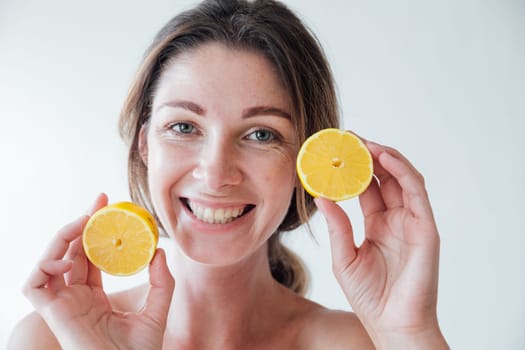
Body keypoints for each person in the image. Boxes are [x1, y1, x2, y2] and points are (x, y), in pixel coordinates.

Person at [8, 0, 449, 349]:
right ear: (145, 145)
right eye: (183, 127)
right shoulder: (53, 339)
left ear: (304, 163)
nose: (216, 174)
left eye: (261, 134)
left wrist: (409, 334)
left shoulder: (359, 345)